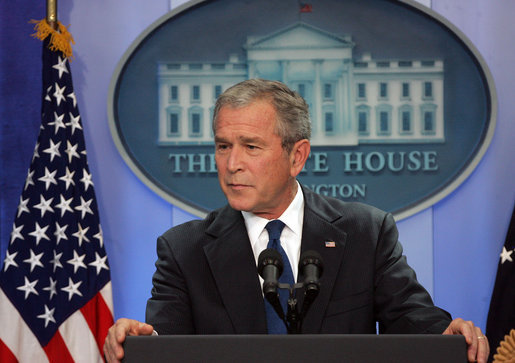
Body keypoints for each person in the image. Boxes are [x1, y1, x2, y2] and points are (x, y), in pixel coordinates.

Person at [103, 79, 489, 362]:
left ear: (297, 157)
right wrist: (142, 342)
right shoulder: (183, 249)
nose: (231, 163)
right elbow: (168, 343)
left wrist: (447, 335)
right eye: (223, 146)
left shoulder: (364, 233)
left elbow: (412, 320)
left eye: (250, 147)